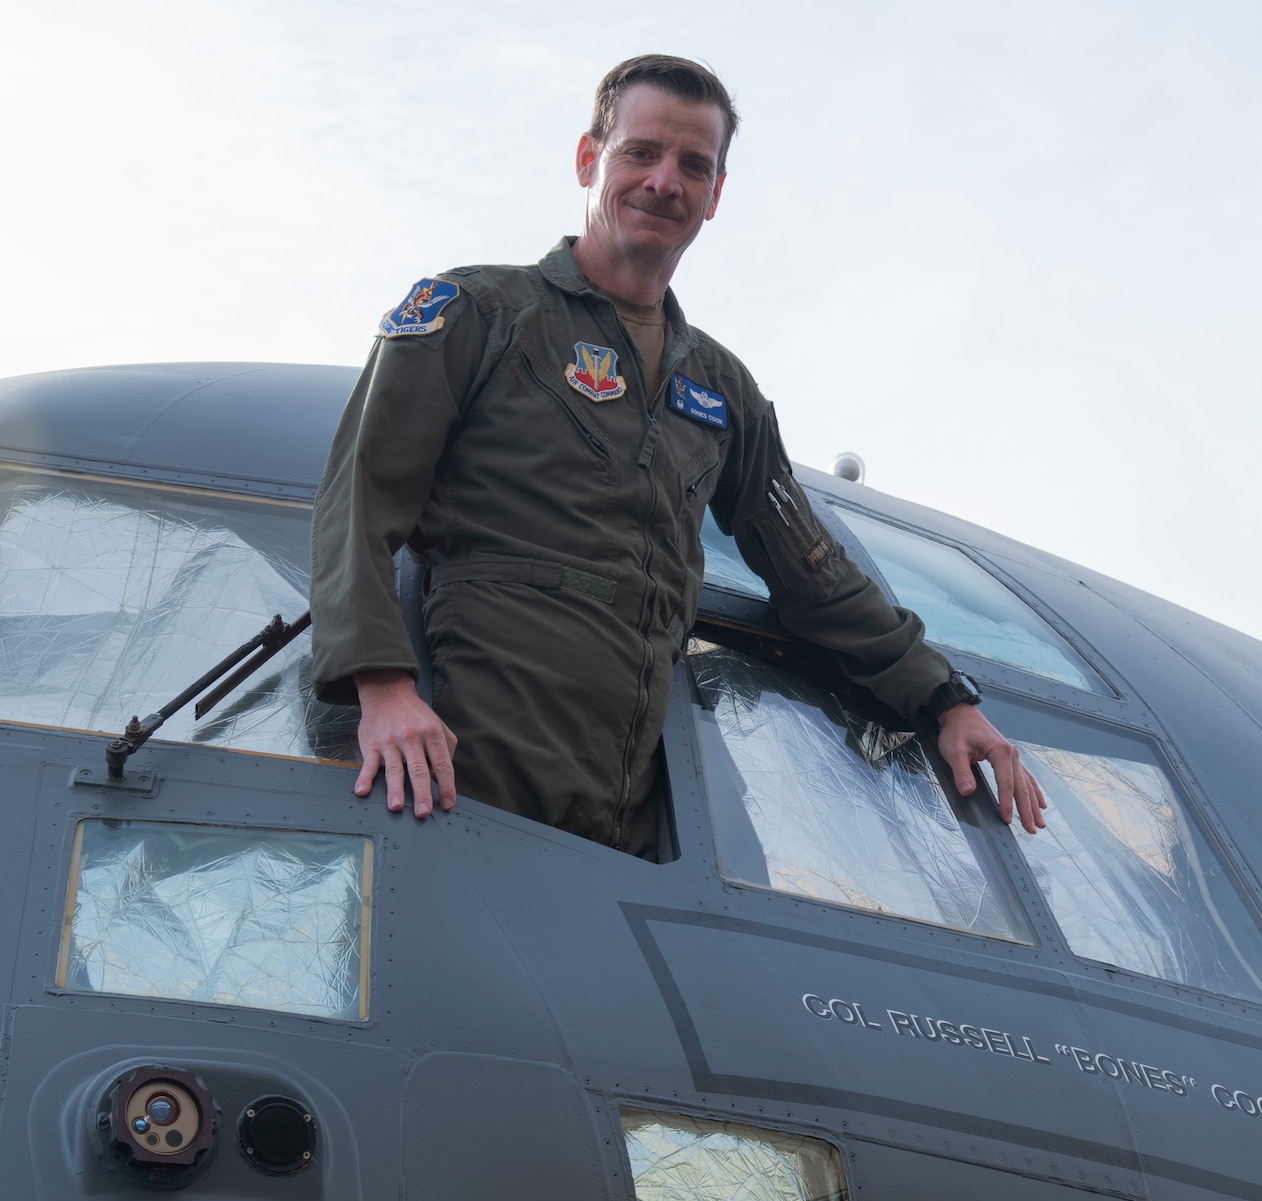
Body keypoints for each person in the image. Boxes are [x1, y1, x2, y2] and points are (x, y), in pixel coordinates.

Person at [310, 54, 1045, 857]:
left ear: (715, 195)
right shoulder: (479, 314)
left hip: (635, 811)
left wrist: (944, 699)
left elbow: (813, 572)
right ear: (590, 159)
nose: (665, 181)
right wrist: (380, 687)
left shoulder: (723, 388)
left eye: (694, 165)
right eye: (641, 153)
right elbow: (357, 501)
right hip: (464, 769)